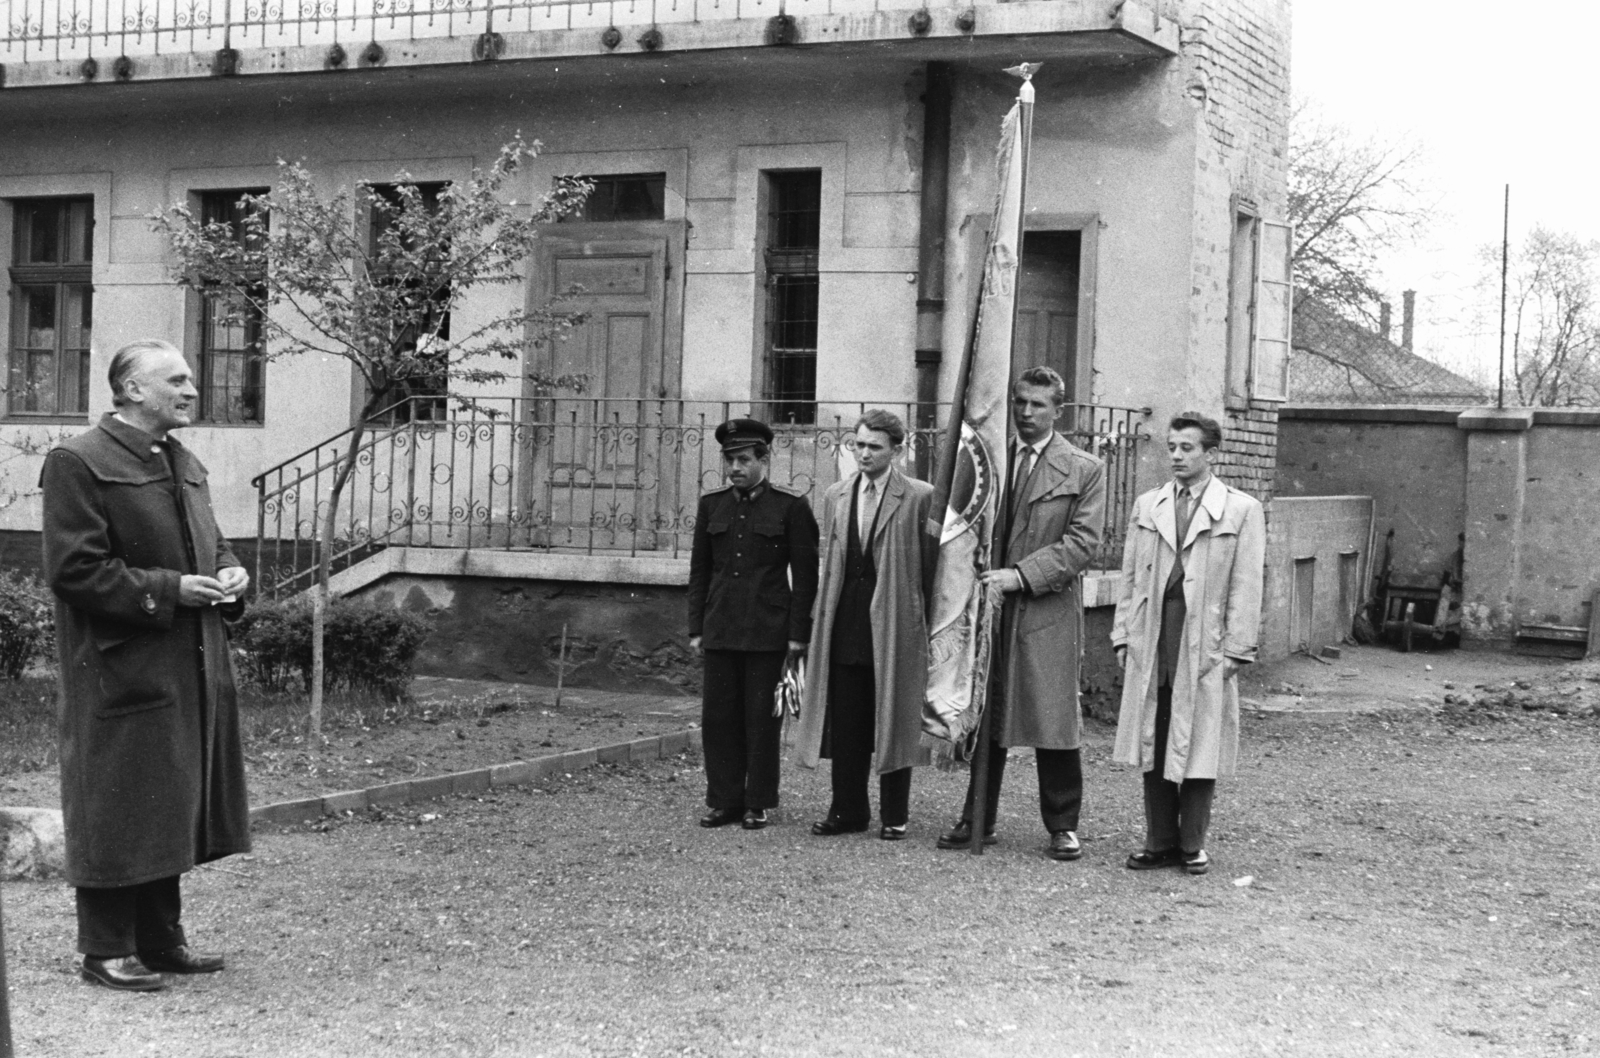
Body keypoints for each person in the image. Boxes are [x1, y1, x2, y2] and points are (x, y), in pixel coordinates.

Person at [41, 339, 252, 992]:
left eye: (191, 380)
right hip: (119, 665)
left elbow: (208, 538)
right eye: (177, 380)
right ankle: (104, 950)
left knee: (168, 800)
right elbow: (75, 571)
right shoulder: (78, 461)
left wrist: (229, 571)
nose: (193, 389)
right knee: (115, 803)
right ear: (132, 390)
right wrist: (170, 589)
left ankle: (161, 941)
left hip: (185, 663)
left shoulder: (181, 459)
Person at [937, 366, 1106, 860]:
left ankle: (1062, 824)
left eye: (1038, 405)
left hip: (1045, 608)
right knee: (986, 714)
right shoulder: (989, 460)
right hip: (988, 606)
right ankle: (978, 817)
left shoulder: (1084, 469)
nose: (1027, 413)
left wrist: (1022, 575)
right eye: (1020, 403)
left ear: (1059, 410)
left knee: (1052, 718)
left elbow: (1083, 543)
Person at [1111, 411, 1265, 876]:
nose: (1176, 456)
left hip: (1205, 639)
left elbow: (1246, 584)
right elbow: (1132, 576)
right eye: (1172, 447)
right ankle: (1158, 840)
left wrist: (1238, 647)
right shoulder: (1148, 505)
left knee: (1200, 739)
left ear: (1210, 454)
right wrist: (1123, 633)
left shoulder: (1239, 509)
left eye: (1187, 448)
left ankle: (1192, 842)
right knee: (1154, 734)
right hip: (1155, 634)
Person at [792, 410, 937, 841]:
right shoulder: (837, 494)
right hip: (845, 621)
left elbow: (931, 569)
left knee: (895, 716)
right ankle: (848, 810)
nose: (865, 454)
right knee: (848, 720)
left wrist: (920, 619)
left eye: (875, 446)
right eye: (859, 445)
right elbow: (833, 561)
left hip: (894, 623)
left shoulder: (918, 496)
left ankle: (895, 815)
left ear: (897, 450)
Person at [687, 418, 819, 830]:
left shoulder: (790, 507)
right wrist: (696, 628)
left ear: (765, 459)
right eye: (729, 460)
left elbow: (807, 576)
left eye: (743, 459)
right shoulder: (713, 505)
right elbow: (700, 571)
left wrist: (798, 635)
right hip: (722, 628)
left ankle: (757, 802)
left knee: (762, 720)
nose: (734, 468)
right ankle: (724, 799)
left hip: (768, 631)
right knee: (719, 719)